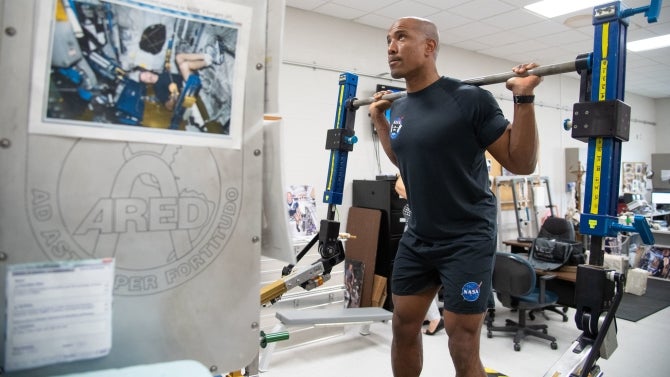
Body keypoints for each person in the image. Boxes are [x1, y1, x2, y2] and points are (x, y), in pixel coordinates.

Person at [369, 17, 541, 377]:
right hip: (420, 234)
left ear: (429, 47)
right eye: (388, 40)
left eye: (401, 37)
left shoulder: (469, 99)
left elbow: (521, 162)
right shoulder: (400, 106)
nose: (391, 47)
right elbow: (404, 157)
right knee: (402, 325)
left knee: (461, 340)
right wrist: (381, 122)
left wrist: (523, 97)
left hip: (467, 236)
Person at [395, 174, 444, 336]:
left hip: (423, 233)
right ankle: (431, 317)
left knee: (421, 279)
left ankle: (435, 319)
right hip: (419, 230)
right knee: (430, 280)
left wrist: (402, 174)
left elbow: (399, 187)